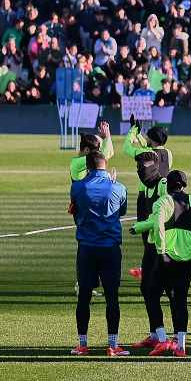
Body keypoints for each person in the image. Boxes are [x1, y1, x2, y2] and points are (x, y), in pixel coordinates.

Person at [130, 169, 191, 357]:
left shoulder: (163, 202)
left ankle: (161, 340)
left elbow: (158, 225)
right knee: (180, 301)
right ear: (184, 185)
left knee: (151, 294)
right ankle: (181, 346)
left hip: (167, 257)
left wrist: (161, 251)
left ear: (167, 185)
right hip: (187, 259)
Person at [69, 152, 129, 357]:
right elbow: (121, 212)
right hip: (110, 248)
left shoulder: (77, 187)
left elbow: (76, 211)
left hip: (86, 247)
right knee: (112, 297)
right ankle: (113, 345)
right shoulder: (118, 187)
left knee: (84, 296)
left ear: (87, 166)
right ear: (106, 164)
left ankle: (82, 344)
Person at [127, 151, 169, 352]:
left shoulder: (163, 186)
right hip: (150, 247)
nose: (139, 172)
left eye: (142, 168)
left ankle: (170, 339)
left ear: (154, 167)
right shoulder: (145, 187)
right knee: (146, 290)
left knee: (161, 292)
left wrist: (143, 227)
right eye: (137, 168)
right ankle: (155, 335)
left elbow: (167, 217)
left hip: (164, 248)